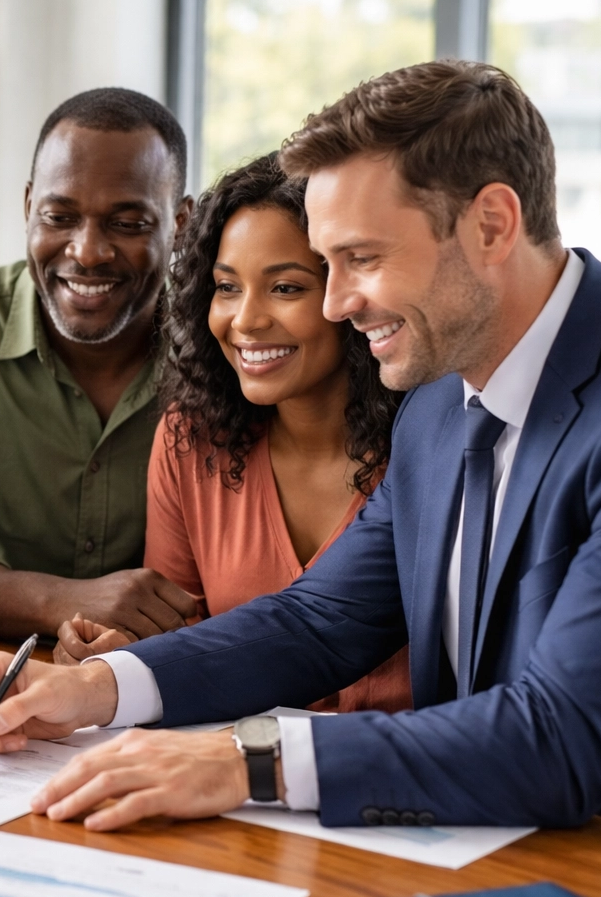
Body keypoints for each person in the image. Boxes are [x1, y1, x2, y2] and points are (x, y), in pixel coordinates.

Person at [0, 60, 601, 835]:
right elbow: (319, 621)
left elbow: (562, 738)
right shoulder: (437, 401)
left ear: (492, 225)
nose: (336, 304)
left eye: (362, 259)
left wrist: (245, 761)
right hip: (477, 851)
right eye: (327, 266)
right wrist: (93, 688)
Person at [60, 153, 410, 714]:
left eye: (286, 288)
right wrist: (114, 660)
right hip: (232, 772)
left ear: (350, 295)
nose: (244, 320)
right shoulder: (193, 438)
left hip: (393, 778)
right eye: (226, 287)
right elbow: (182, 637)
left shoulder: (430, 442)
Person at [0, 88, 199, 642]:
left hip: (174, 669)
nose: (88, 251)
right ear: (28, 209)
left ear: (181, 222)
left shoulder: (227, 346)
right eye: (59, 216)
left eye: (128, 223)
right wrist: (63, 602)